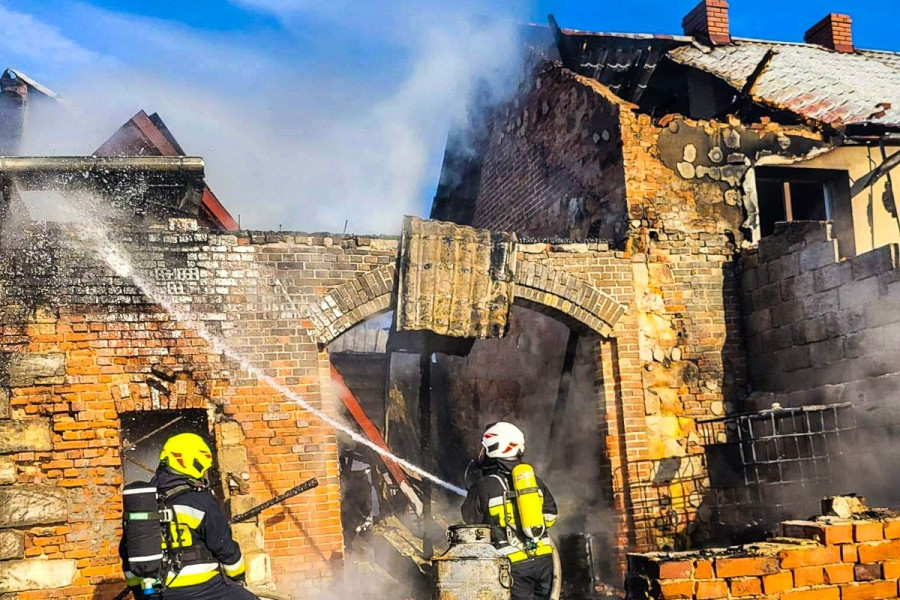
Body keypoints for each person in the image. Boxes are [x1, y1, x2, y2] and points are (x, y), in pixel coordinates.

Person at [119, 432, 258, 599]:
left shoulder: (141, 502)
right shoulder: (200, 499)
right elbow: (224, 547)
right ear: (193, 462)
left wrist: (137, 591)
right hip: (205, 590)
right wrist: (238, 577)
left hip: (155, 593)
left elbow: (126, 551)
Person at [462, 422, 559, 600]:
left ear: (494, 448)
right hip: (545, 561)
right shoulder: (533, 481)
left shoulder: (483, 486)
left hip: (512, 565)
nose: (481, 453)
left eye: (484, 448)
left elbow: (470, 522)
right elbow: (551, 515)